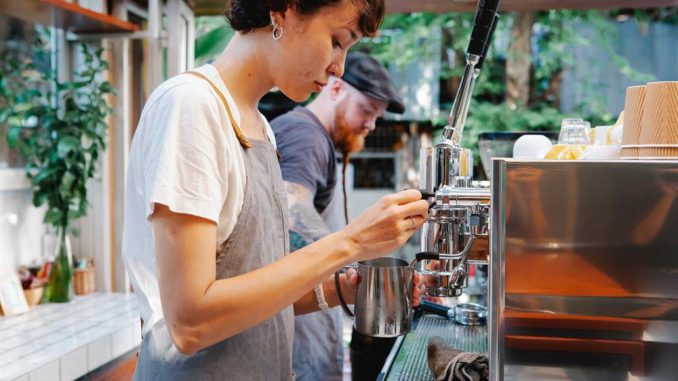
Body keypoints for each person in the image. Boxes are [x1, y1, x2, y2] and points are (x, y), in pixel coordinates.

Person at [121, 1, 429, 380]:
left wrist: (342, 291)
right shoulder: (192, 107)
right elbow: (190, 323)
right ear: (284, 10)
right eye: (337, 40)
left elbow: (251, 294)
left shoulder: (260, 127)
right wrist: (351, 243)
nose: (339, 68)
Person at [271, 51, 406, 381]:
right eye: (366, 110)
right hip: (296, 336)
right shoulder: (306, 135)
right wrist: (359, 272)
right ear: (335, 89)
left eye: (377, 116)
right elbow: (290, 210)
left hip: (308, 330)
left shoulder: (317, 138)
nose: (372, 124)